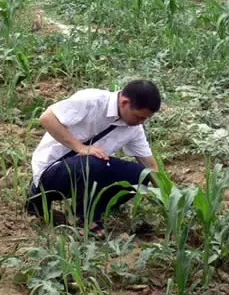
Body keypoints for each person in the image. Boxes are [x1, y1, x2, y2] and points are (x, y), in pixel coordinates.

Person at [26, 80, 160, 235]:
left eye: (145, 119)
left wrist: (171, 197)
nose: (141, 122)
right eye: (138, 117)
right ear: (124, 102)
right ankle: (84, 219)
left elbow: (150, 166)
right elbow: (47, 118)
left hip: (84, 173)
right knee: (95, 162)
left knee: (141, 175)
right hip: (51, 171)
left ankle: (91, 210)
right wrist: (80, 147)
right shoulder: (92, 100)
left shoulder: (134, 128)